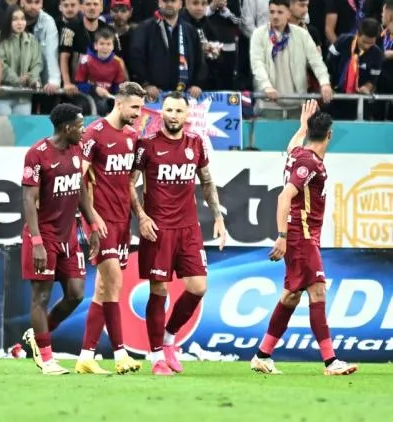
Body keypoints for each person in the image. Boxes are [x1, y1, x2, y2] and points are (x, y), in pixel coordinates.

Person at [251, 100, 359, 376]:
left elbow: (292, 147)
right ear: (330, 135)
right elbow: (284, 196)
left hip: (304, 237)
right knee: (317, 291)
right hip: (301, 236)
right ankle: (330, 362)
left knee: (290, 296)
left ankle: (262, 355)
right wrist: (282, 236)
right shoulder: (309, 162)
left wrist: (301, 127)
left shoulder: (299, 153)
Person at [130, 91, 227, 376]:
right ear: (162, 112)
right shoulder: (146, 145)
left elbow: (206, 182)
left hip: (189, 228)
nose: (173, 115)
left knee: (198, 287)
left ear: (187, 115)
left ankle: (169, 339)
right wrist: (142, 217)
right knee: (158, 289)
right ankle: (156, 356)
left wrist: (218, 216)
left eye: (178, 111)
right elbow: (129, 184)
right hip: (158, 229)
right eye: (169, 110)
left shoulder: (196, 143)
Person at [20, 103, 101, 375]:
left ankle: (38, 337)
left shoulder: (77, 150)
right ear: (66, 128)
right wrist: (37, 242)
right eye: (80, 126)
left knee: (76, 294)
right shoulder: (37, 154)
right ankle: (46, 358)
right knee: (40, 297)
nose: (83, 130)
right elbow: (28, 200)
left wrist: (92, 224)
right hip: (43, 236)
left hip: (69, 235)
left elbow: (79, 190)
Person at [74, 82, 143, 375]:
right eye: (134, 107)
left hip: (121, 220)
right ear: (119, 103)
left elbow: (129, 182)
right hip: (99, 221)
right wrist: (91, 218)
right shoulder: (94, 134)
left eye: (140, 108)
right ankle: (120, 353)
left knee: (104, 288)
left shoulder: (132, 137)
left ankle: (86, 356)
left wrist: (139, 214)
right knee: (114, 282)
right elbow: (78, 179)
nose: (138, 114)